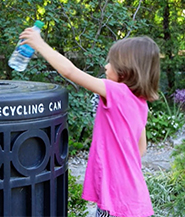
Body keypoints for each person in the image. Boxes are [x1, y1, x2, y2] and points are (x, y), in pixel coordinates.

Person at [19, 27, 160, 217]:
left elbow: (69, 71)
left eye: (111, 63)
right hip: (132, 196)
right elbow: (140, 148)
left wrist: (39, 44)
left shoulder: (116, 92)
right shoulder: (141, 103)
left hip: (117, 199)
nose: (106, 66)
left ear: (126, 72)